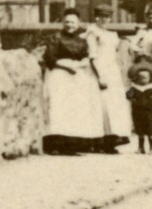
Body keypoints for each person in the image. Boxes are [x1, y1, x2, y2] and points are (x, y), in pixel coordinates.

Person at [42, 9, 105, 155]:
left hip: (77, 74)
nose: (70, 25)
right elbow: (49, 58)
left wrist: (80, 64)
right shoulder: (55, 37)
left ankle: (73, 144)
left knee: (75, 108)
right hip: (59, 74)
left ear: (78, 23)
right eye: (67, 22)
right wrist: (66, 67)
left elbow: (87, 55)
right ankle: (57, 143)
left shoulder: (83, 38)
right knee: (59, 108)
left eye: (73, 22)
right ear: (63, 23)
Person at [85, 4, 131, 153]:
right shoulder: (92, 33)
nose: (104, 19)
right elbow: (93, 56)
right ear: (96, 17)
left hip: (112, 71)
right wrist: (100, 76)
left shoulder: (112, 34)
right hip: (99, 70)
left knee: (114, 105)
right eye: (101, 16)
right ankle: (100, 140)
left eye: (107, 16)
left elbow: (117, 51)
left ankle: (112, 138)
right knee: (101, 105)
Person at [126, 62, 152, 155]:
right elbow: (128, 96)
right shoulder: (134, 88)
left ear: (150, 79)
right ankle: (141, 148)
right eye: (141, 78)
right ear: (137, 78)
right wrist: (131, 92)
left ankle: (151, 148)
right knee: (139, 131)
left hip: (148, 113)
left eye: (146, 78)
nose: (143, 80)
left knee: (149, 131)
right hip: (137, 113)